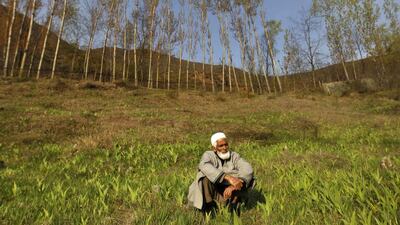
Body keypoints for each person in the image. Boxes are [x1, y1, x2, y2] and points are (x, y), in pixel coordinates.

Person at [187, 132, 254, 214]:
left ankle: (234, 204)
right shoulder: (208, 155)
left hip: (232, 191)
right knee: (203, 177)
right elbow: (204, 166)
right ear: (214, 148)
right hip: (216, 191)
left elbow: (247, 167)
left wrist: (237, 182)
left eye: (226, 145)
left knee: (248, 178)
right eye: (221, 146)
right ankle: (209, 206)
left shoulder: (234, 156)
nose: (224, 148)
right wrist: (228, 177)